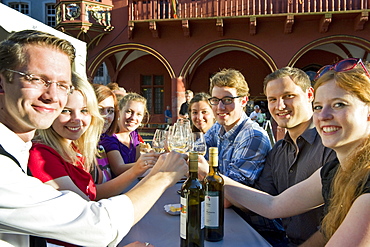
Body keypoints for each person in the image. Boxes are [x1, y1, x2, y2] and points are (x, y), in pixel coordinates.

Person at [0, 29, 187, 247]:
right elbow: (95, 226)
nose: (51, 96)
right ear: (2, 83)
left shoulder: (20, 149)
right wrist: (162, 177)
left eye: (62, 85)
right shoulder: (26, 158)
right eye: (37, 79)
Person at [215, 59, 370, 246]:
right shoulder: (335, 169)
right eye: (319, 107)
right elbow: (272, 205)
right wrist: (207, 174)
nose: (323, 115)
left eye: (339, 104)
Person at [28, 73, 154, 247]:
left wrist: (140, 169)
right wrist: (159, 179)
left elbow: (95, 193)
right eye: (66, 110)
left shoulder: (73, 148)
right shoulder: (41, 156)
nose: (77, 119)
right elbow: (88, 221)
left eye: (84, 110)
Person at [254, 67, 337, 246]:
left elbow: (336, 223)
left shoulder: (332, 144)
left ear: (310, 95)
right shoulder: (278, 152)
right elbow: (262, 199)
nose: (280, 106)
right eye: (272, 99)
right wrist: (213, 179)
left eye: (288, 96)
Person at [203, 69, 284, 244]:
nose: (220, 107)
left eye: (227, 100)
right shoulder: (218, 128)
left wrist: (200, 171)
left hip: (258, 231)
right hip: (229, 220)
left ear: (244, 100)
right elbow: (192, 159)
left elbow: (224, 199)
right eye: (215, 100)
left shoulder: (252, 136)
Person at [100, 93, 158, 177]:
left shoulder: (133, 134)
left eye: (139, 114)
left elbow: (136, 161)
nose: (133, 118)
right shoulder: (109, 137)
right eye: (129, 111)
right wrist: (149, 161)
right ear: (119, 112)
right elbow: (118, 169)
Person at [93, 83, 119, 183]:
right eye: (100, 110)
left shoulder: (100, 148)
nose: (106, 116)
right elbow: (94, 193)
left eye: (110, 111)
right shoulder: (77, 149)